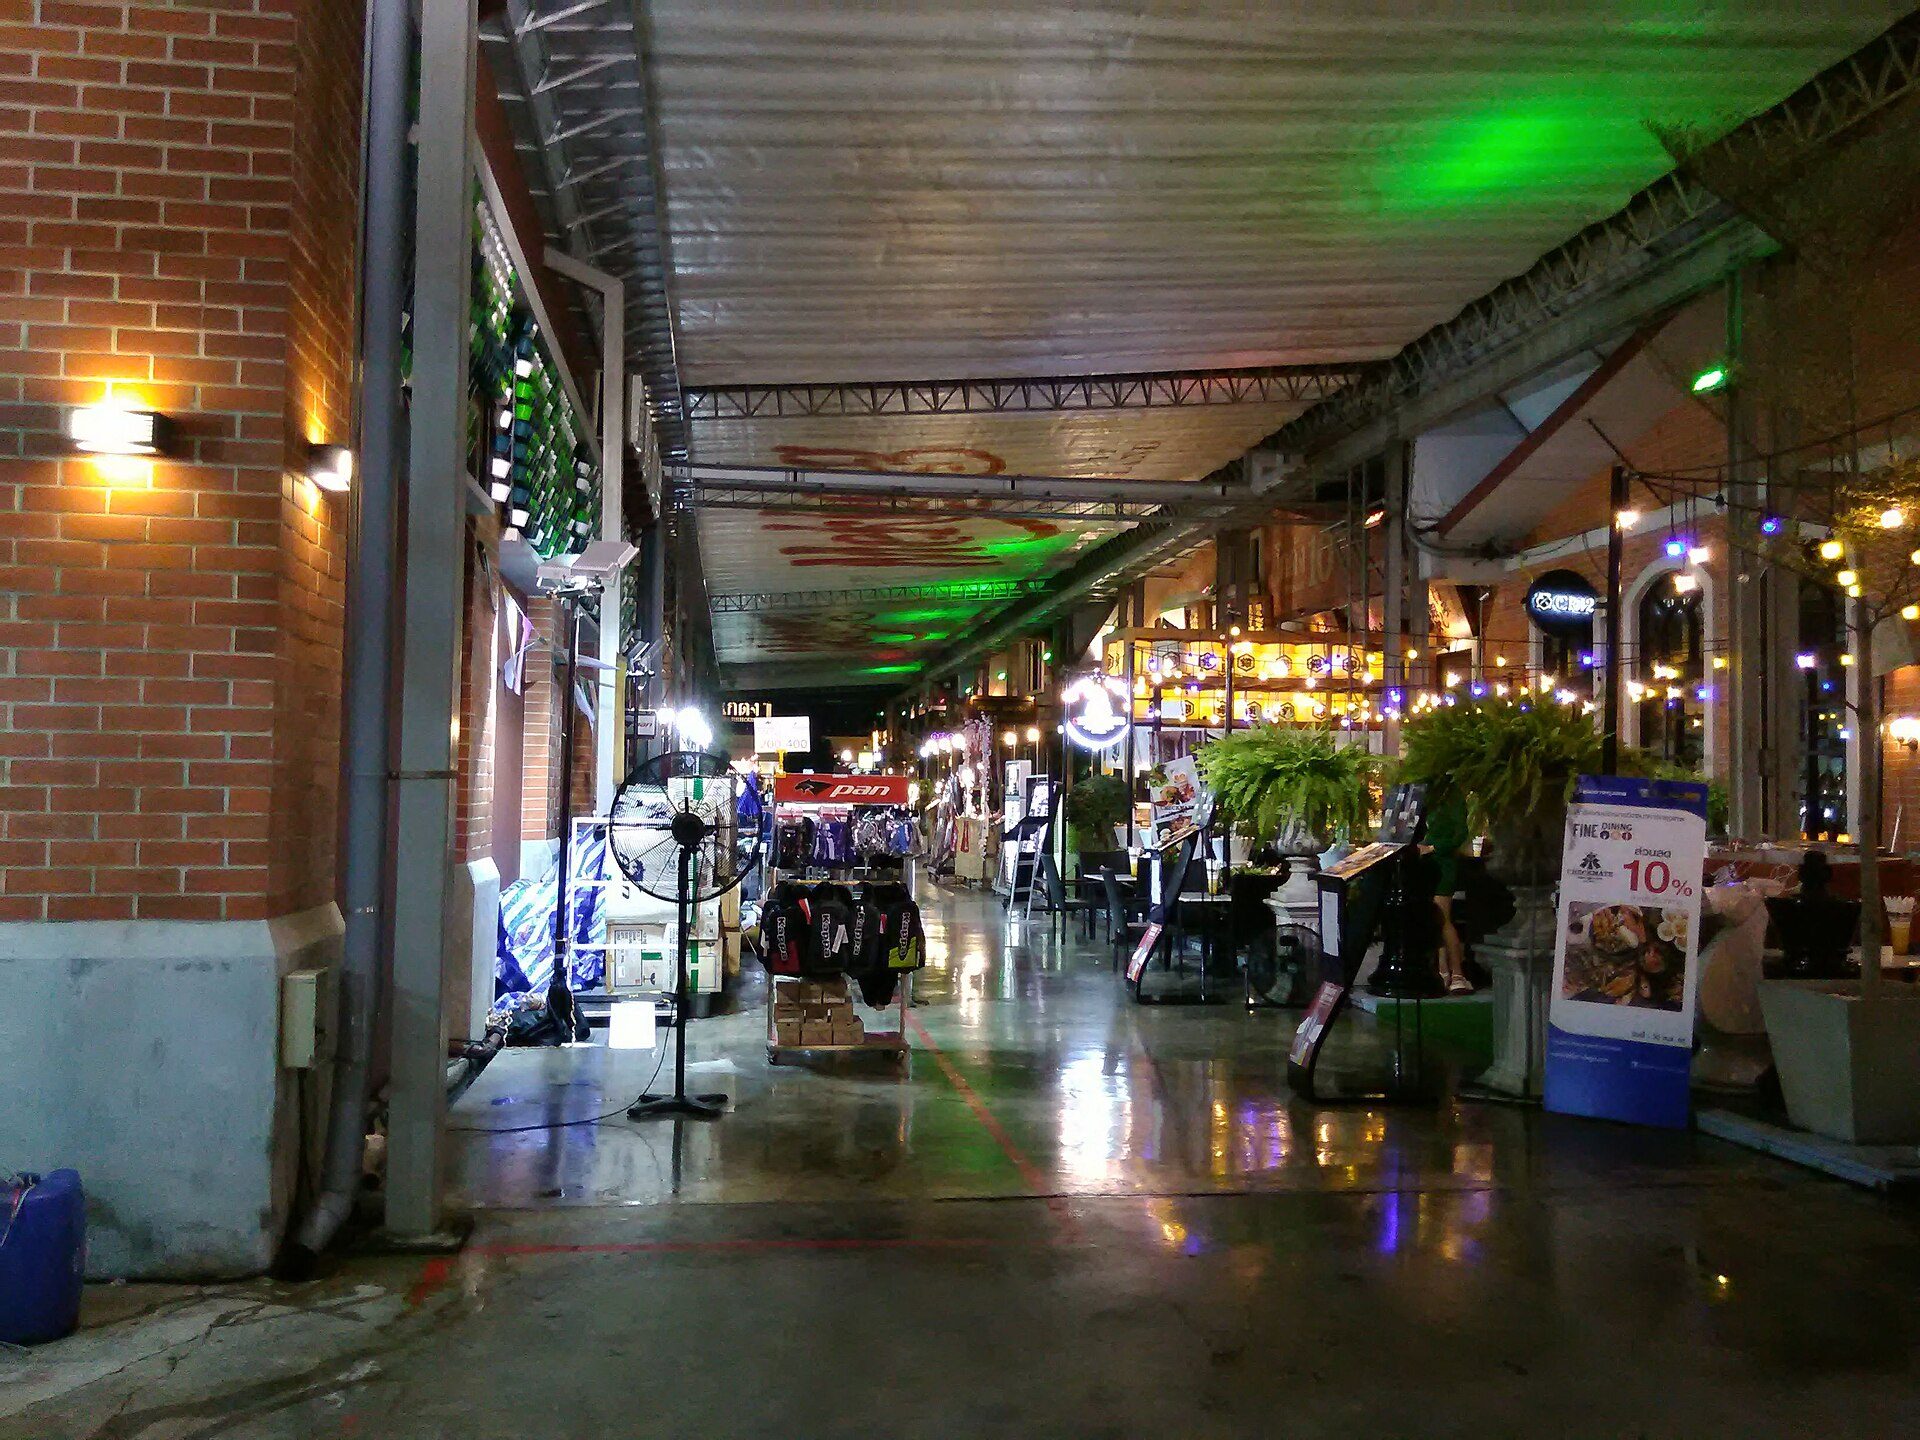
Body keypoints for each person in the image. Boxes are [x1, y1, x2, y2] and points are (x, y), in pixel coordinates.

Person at [1424, 790, 1474, 994]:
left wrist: (1433, 848)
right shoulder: (1427, 795)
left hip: (1443, 863)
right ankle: (1443, 971)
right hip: (1429, 863)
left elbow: (1460, 834)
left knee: (1442, 917)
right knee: (1434, 919)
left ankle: (1457, 973)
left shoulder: (1451, 797)